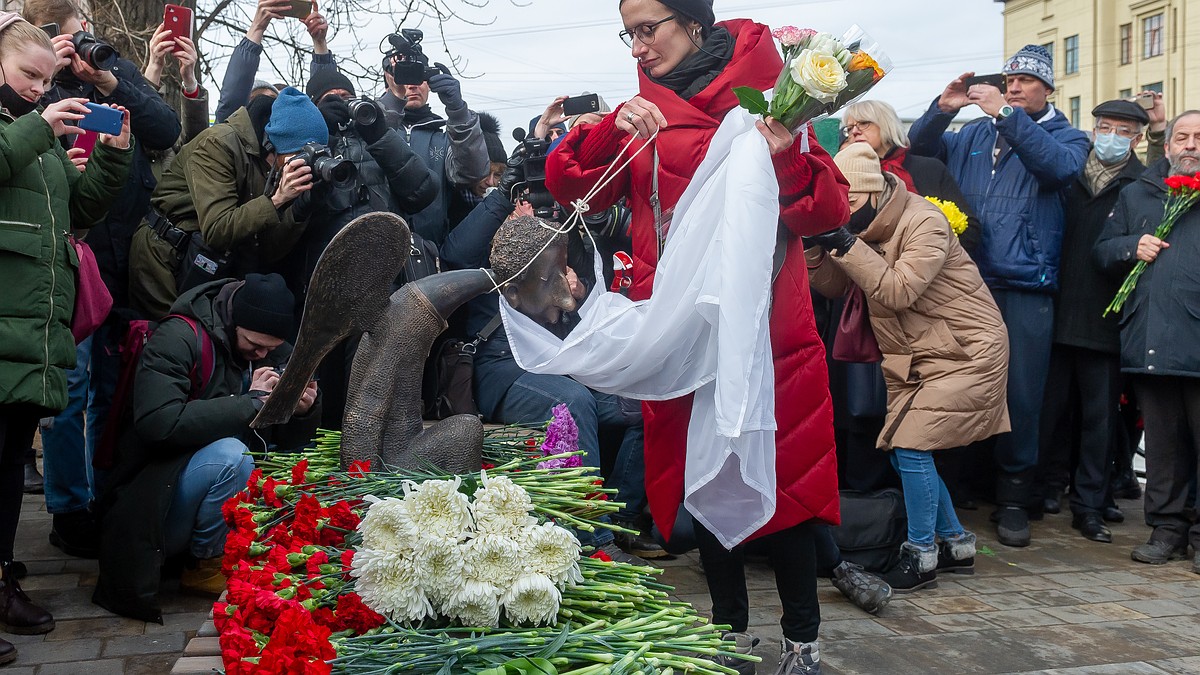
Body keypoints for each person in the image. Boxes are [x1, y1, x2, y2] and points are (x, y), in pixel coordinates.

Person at [547, 2, 850, 672]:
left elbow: (827, 210)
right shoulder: (641, 111)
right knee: (707, 482)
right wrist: (605, 133)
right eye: (627, 33)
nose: (637, 46)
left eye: (646, 28)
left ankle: (802, 640)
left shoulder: (775, 94)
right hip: (681, 329)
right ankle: (728, 633)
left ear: (691, 21)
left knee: (787, 485)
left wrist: (790, 155)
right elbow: (571, 188)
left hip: (770, 327)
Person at [908, 45, 1090, 548]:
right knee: (955, 383)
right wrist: (941, 110)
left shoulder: (1069, 137)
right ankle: (960, 485)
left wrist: (1008, 118)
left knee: (1022, 394)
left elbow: (1055, 169)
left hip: (1026, 283)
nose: (1013, 87)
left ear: (1048, 90)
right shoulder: (972, 131)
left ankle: (1014, 498)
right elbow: (919, 151)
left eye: (1026, 81)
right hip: (966, 281)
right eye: (1009, 79)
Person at [806, 143, 1009, 592]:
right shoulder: (865, 224)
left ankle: (921, 557)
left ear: (875, 192)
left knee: (911, 447)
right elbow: (835, 287)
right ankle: (956, 543)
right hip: (917, 353)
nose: (844, 210)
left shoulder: (925, 221)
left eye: (851, 202)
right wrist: (816, 248)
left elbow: (897, 291)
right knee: (904, 450)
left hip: (966, 351)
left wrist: (843, 240)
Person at [21, 0, 183, 559]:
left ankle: (107, 496)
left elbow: (164, 130)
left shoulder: (114, 73)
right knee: (68, 388)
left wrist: (111, 78)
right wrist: (50, 85)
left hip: (124, 260)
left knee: (113, 390)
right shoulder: (30, 89)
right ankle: (69, 508)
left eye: (83, 33)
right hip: (70, 255)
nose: (80, 46)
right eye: (68, 39)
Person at [0, 10, 133, 663]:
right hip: (4, 324)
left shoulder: (40, 135)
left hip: (32, 329)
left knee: (4, 471)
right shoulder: (27, 129)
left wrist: (112, 161)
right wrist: (36, 125)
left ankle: (2, 581)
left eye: (44, 80)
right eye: (27, 74)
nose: (36, 89)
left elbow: (78, 207)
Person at [441, 177, 665, 563]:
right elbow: (455, 251)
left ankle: (622, 518)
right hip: (502, 368)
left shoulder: (558, 247)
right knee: (571, 402)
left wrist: (575, 295)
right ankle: (593, 537)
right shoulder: (484, 255)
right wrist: (504, 205)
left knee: (640, 404)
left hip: (555, 362)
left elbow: (578, 324)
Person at [93, 273, 320, 622]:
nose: (262, 354)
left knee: (273, 464)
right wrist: (249, 402)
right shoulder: (178, 337)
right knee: (232, 456)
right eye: (254, 345)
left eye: (270, 350)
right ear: (233, 322)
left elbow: (288, 444)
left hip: (197, 494)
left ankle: (224, 548)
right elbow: (157, 423)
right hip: (150, 499)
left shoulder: (269, 346)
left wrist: (301, 410)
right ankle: (205, 562)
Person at [287, 69, 438, 428]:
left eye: (347, 95)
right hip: (327, 280)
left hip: (385, 275)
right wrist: (316, 135)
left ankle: (373, 454)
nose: (341, 103)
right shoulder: (304, 142)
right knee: (331, 383)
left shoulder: (380, 137)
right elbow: (285, 212)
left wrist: (378, 133)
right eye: (330, 99)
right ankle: (340, 461)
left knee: (379, 375)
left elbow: (422, 192)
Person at [1038, 99, 1153, 544]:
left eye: (1122, 131)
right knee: (1050, 413)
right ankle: (1045, 487)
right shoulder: (1070, 174)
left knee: (1099, 422)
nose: (1110, 137)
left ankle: (1090, 503)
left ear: (1137, 138)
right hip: (1056, 313)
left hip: (1106, 322)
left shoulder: (1142, 185)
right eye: (1104, 127)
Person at [1094, 110, 1200, 572]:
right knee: (1163, 444)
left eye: (1199, 137)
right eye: (1182, 136)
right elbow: (1101, 251)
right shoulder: (1139, 193)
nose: (1190, 145)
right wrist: (1128, 246)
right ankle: (1167, 529)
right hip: (1153, 336)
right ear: (1168, 144)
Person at [128, 86, 327, 319]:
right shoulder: (218, 144)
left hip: (208, 261)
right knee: (174, 340)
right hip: (165, 258)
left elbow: (267, 249)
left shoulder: (274, 164)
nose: (302, 166)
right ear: (273, 144)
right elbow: (217, 229)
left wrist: (299, 211)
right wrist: (277, 200)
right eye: (300, 156)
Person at [379, 46, 489, 246]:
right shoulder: (371, 130)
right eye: (403, 76)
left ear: (429, 84)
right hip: (378, 250)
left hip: (431, 254)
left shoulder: (445, 137)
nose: (412, 86)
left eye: (419, 77)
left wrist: (458, 111)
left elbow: (473, 173)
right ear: (388, 81)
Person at [213, 0, 337, 124]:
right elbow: (233, 100)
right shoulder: (235, 138)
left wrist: (320, 42)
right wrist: (257, 28)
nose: (266, 104)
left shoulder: (305, 136)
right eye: (257, 98)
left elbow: (327, 106)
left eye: (274, 99)